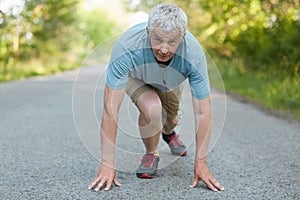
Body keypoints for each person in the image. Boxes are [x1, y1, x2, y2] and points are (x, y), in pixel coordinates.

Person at [88, 3, 224, 192]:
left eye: (171, 42)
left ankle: (169, 132)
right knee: (153, 111)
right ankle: (151, 153)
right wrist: (106, 164)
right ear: (147, 32)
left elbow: (203, 111)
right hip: (138, 78)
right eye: (158, 39)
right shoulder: (127, 47)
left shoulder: (193, 55)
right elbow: (110, 110)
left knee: (171, 119)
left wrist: (201, 163)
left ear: (182, 38)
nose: (163, 49)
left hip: (170, 81)